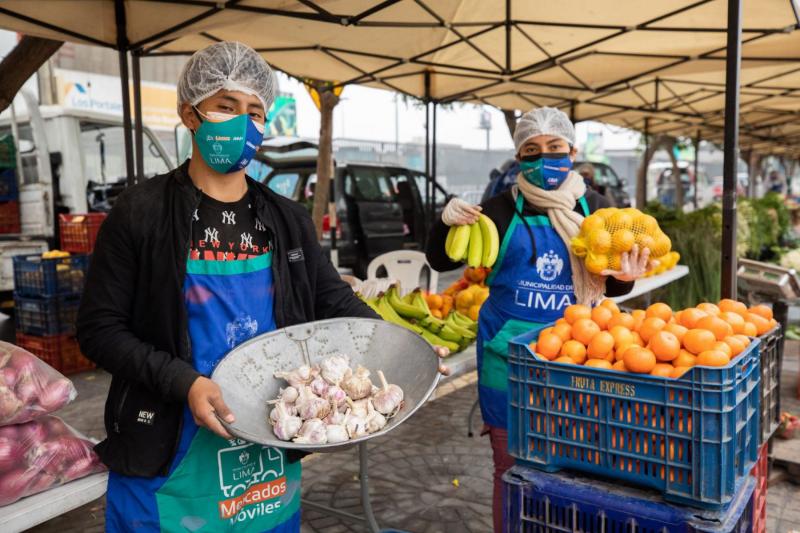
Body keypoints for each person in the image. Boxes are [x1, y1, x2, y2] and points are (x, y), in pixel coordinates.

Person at [76, 41, 385, 532]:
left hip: (267, 448)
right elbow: (98, 329)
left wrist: (394, 346)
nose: (244, 122)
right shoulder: (142, 212)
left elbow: (332, 298)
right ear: (190, 114)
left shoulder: (287, 220)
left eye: (255, 111)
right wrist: (186, 382)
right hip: (168, 452)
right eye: (226, 106)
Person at [425, 107, 652, 533]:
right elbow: (439, 258)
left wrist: (625, 278)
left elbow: (614, 287)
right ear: (518, 157)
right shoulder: (497, 210)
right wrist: (443, 221)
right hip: (508, 363)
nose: (542, 158)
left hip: (579, 360)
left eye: (553, 148)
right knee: (510, 470)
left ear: (571, 150)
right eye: (531, 150)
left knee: (573, 473)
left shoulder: (597, 209)